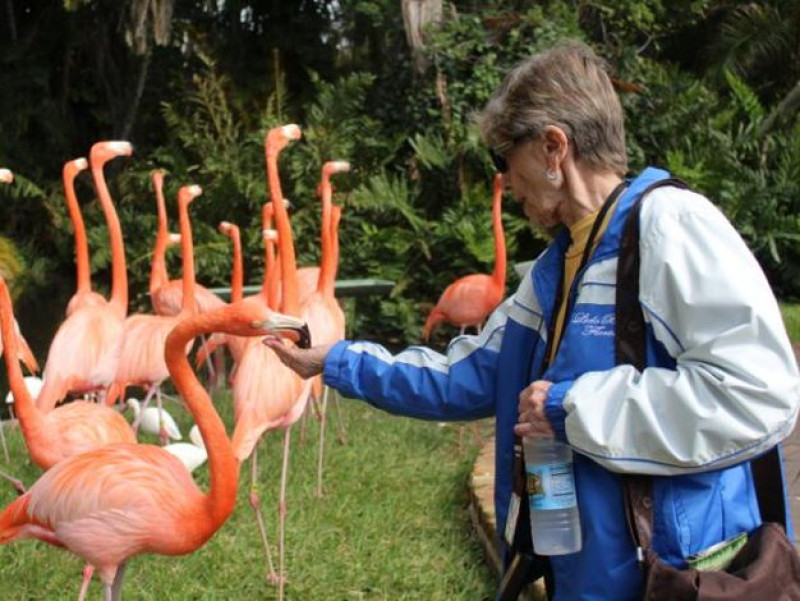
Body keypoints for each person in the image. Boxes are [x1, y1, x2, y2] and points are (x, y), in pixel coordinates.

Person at [265, 40, 800, 599]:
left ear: (552, 147)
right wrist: (336, 361)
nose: (504, 181)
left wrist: (573, 409)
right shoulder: (555, 270)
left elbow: (759, 396)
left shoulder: (670, 227)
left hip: (669, 578)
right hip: (584, 573)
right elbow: (463, 377)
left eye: (503, 160)